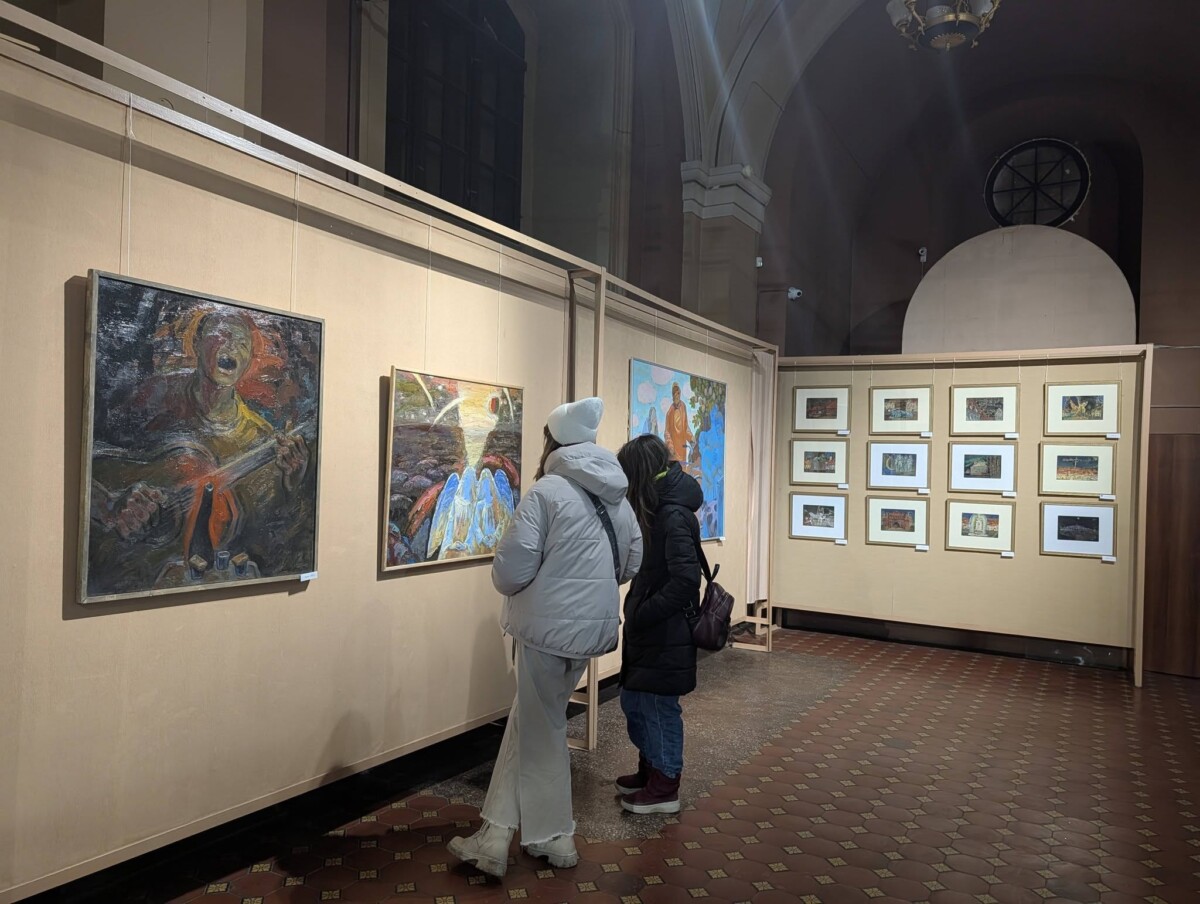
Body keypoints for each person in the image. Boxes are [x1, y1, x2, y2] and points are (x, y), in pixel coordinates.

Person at [448, 397, 642, 878]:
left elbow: (510, 571)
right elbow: (631, 562)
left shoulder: (547, 492)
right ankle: (500, 836)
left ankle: (553, 835)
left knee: (542, 729)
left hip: (544, 631)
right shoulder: (616, 496)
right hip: (590, 630)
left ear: (553, 441)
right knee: (532, 722)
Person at [614, 434, 702, 814]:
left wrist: (644, 612)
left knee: (658, 707)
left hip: (666, 631)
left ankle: (665, 785)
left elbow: (685, 581)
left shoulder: (672, 515)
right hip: (653, 630)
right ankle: (651, 769)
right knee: (636, 700)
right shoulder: (660, 508)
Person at [663, 382, 694, 465]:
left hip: (682, 448)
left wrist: (691, 438)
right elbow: (667, 432)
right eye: (675, 393)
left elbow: (685, 427)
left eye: (678, 393)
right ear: (673, 395)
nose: (677, 395)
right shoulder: (670, 412)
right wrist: (670, 447)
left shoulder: (683, 406)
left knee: (683, 469)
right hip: (673, 450)